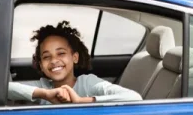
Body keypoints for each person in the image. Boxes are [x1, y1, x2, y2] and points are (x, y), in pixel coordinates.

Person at [8, 20, 142, 104]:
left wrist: (81, 101)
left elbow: (134, 98)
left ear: (75, 57)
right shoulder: (43, 86)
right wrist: (45, 94)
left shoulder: (87, 83)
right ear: (41, 65)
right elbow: (3, 90)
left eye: (61, 53)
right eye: (46, 57)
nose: (54, 60)